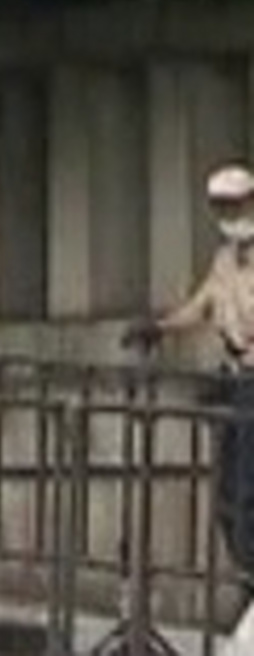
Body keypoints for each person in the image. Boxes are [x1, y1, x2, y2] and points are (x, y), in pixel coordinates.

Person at [126, 162, 254, 579]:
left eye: (234, 206)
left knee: (247, 487)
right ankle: (247, 568)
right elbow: (203, 306)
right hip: (236, 378)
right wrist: (160, 327)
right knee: (228, 494)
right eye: (221, 208)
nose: (228, 217)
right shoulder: (225, 260)